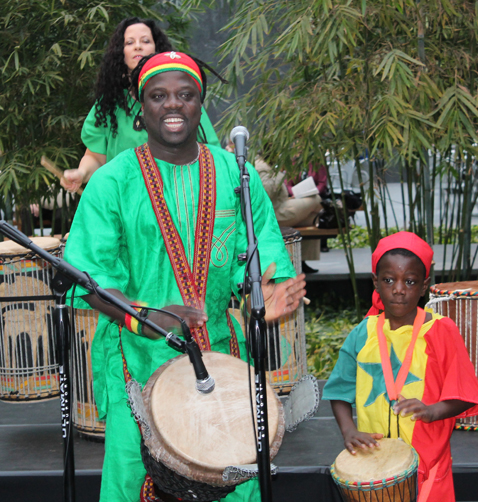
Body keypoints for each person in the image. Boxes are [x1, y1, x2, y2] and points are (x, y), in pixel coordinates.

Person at [63, 51, 306, 502]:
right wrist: (145, 316)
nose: (172, 105)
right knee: (133, 481)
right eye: (159, 96)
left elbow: (258, 266)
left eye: (185, 95)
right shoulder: (112, 182)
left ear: (201, 105)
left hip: (223, 360)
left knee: (236, 480)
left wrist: (264, 301)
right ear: (141, 109)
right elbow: (90, 276)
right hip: (138, 359)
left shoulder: (238, 175)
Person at [322, 231, 478, 502]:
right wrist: (348, 430)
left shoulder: (441, 331)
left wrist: (433, 411)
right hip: (376, 465)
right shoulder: (363, 334)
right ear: (375, 282)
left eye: (409, 281)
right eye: (388, 280)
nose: (398, 289)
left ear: (424, 286)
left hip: (429, 462)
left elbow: (464, 395)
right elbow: (338, 390)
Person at [61, 17, 220, 194]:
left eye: (145, 41)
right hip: (125, 201)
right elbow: (96, 157)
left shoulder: (183, 101)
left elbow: (209, 152)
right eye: (130, 42)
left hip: (178, 199)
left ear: (157, 49)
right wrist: (81, 173)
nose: (138, 46)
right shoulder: (109, 103)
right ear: (121, 52)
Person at [254, 156, 323, 273]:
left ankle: (302, 260)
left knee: (313, 218)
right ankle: (293, 261)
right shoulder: (261, 167)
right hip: (275, 213)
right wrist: (279, 175)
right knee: (316, 200)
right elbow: (266, 193)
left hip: (281, 206)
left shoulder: (268, 166)